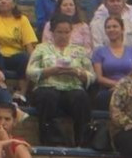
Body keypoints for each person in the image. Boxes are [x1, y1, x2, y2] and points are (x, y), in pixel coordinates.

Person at [27, 15, 95, 148]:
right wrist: (49, 71)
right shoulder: (41, 48)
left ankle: (82, 140)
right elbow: (30, 71)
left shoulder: (79, 51)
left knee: (81, 97)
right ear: (52, 32)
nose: (63, 36)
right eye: (59, 32)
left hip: (72, 87)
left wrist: (77, 72)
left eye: (66, 32)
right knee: (47, 96)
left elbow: (92, 76)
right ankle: (50, 140)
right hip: (48, 85)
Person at [0, 0, 36, 103]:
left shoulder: (22, 19)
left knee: (24, 58)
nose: (3, 1)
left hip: (15, 56)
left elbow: (29, 44)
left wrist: (34, 63)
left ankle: (21, 94)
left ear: (14, 3)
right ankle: (2, 90)